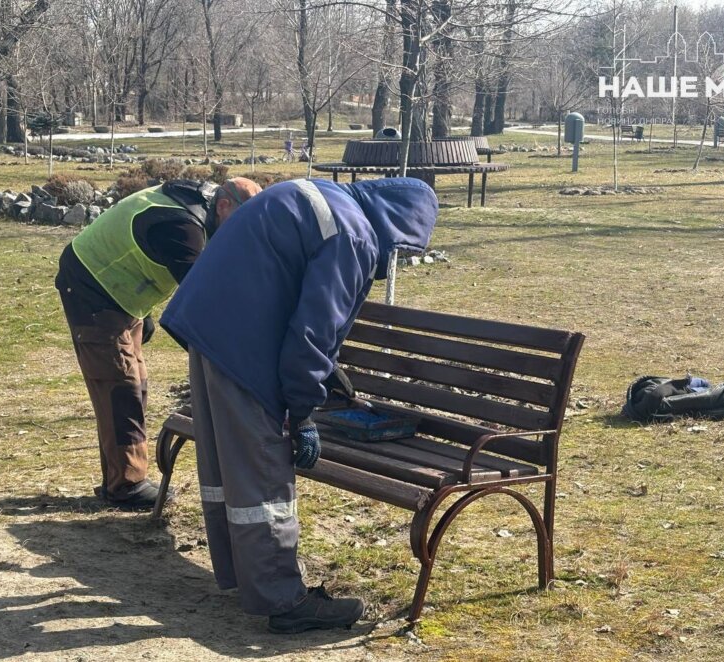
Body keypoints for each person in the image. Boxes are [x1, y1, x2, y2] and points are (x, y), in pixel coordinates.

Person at [160, 177, 438, 633]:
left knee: (227, 467)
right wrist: (303, 413)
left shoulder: (320, 195)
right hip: (243, 348)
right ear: (400, 224)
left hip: (208, 329)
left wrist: (324, 377)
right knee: (262, 469)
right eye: (403, 248)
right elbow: (314, 332)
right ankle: (283, 601)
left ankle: (243, 573)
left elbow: (285, 285)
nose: (396, 258)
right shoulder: (353, 235)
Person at [55, 177, 262, 511]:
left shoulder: (199, 210)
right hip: (91, 288)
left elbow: (142, 249)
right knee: (120, 387)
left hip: (119, 291)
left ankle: (118, 478)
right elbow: (203, 305)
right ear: (224, 205)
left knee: (134, 384)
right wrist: (233, 362)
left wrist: (143, 310)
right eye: (242, 221)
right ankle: (126, 486)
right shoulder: (184, 227)